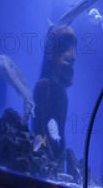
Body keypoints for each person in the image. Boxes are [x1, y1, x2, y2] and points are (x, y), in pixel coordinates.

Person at [32, 24, 76, 173]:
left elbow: (59, 134)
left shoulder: (62, 93)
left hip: (56, 164)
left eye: (73, 48)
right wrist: (50, 162)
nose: (72, 55)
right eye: (65, 47)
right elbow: (41, 129)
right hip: (43, 164)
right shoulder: (44, 86)